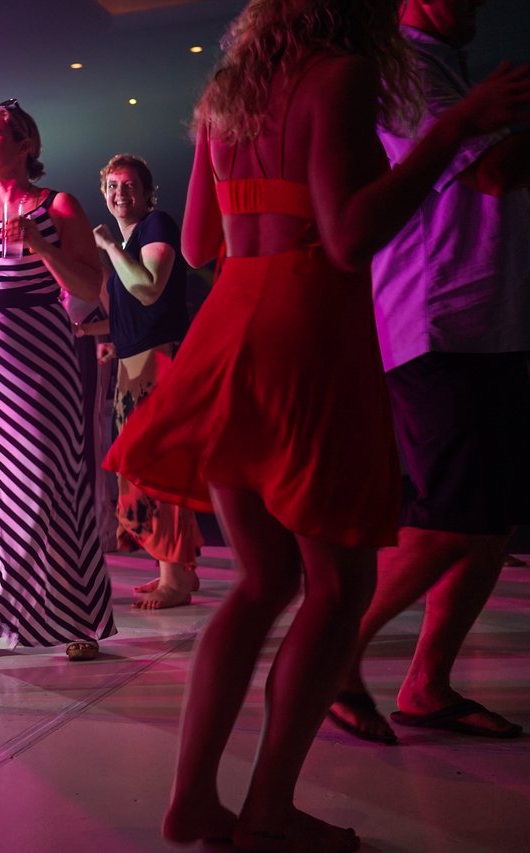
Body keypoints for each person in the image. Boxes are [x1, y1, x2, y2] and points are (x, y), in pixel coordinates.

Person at [103, 0, 529, 847]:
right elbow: (347, 237)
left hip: (231, 327)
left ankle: (194, 798)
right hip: (308, 333)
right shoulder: (344, 76)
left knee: (262, 584)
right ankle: (266, 809)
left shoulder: (228, 94)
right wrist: (459, 129)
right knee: (337, 588)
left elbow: (194, 245)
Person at [328, 0, 530, 746]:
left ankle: (427, 683)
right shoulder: (404, 66)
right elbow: (493, 174)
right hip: (436, 322)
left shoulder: (447, 66)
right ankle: (332, 657)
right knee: (449, 518)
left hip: (488, 324)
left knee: (488, 524)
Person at [0, 98, 116, 660]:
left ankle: (75, 619)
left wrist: (39, 246)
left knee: (45, 488)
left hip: (37, 364)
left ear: (25, 145)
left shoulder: (56, 205)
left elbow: (88, 287)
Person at [94, 154, 202, 610]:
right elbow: (134, 307)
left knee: (156, 470)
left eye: (130, 185)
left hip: (159, 363)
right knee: (143, 469)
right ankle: (180, 571)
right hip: (136, 363)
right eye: (113, 186)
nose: (121, 193)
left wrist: (109, 249)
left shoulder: (156, 225)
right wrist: (105, 336)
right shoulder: (133, 238)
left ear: (147, 191)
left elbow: (149, 288)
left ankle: (173, 579)